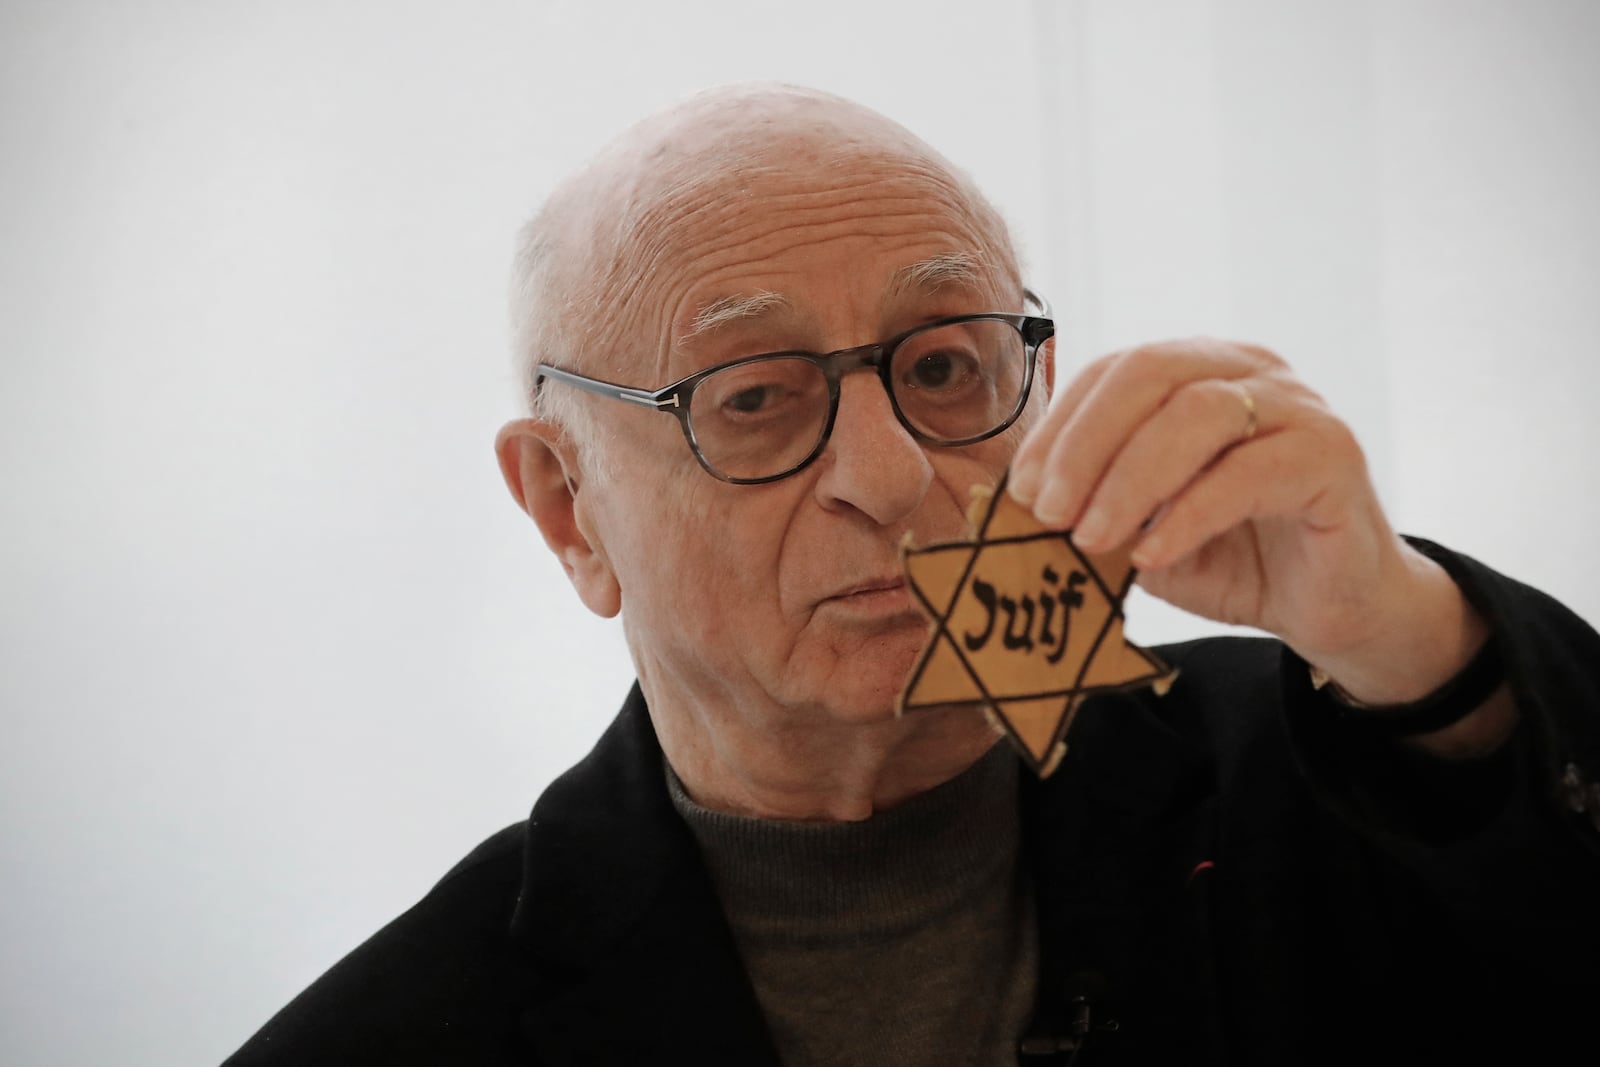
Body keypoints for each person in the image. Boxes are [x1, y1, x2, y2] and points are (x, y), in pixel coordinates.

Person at [223, 84, 1600, 1066]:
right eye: (753, 397)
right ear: (567, 508)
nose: (887, 478)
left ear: (1038, 391)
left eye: (944, 367)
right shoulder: (408, 1029)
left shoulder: (1338, 760)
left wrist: (1415, 644)